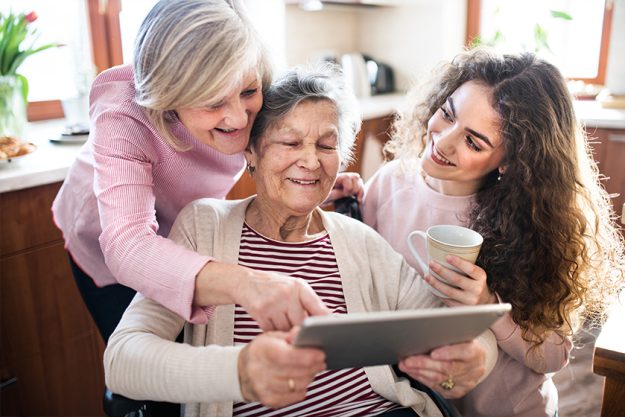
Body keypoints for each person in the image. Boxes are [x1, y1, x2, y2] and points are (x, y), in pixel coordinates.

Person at [104, 65, 499, 417]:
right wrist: (240, 371)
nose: (311, 161)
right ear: (252, 152)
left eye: (326, 146)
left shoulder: (360, 242)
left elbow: (458, 329)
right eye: (291, 143)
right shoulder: (205, 227)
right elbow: (122, 361)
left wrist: (478, 355)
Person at [51, 0, 361, 343]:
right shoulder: (124, 111)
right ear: (170, 96)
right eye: (213, 102)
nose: (241, 119)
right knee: (151, 364)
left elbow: (278, 147)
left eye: (247, 92)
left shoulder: (256, 76)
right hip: (105, 241)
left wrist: (306, 183)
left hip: (185, 224)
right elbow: (128, 245)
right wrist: (247, 283)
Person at [362, 47, 625, 417]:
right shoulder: (389, 184)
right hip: (421, 406)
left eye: (473, 141)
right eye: (447, 114)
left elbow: (553, 356)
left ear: (512, 162)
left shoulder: (535, 225)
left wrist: (488, 305)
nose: (443, 141)